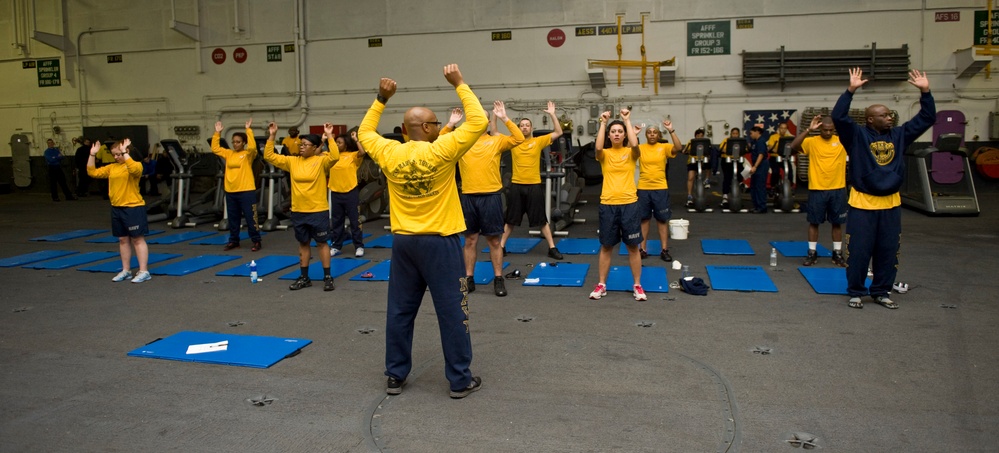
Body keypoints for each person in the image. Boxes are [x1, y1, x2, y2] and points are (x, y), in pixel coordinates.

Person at [358, 63, 484, 399]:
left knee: (400, 311)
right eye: (437, 124)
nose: (440, 127)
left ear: (403, 128)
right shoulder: (443, 149)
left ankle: (395, 376)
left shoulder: (389, 151)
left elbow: (365, 133)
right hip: (439, 245)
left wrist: (381, 98)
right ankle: (459, 380)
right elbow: (480, 121)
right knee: (453, 312)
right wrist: (459, 82)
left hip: (404, 244)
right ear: (428, 128)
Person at [832, 67, 935, 310]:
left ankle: (881, 291)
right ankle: (856, 291)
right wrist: (850, 91)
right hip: (862, 204)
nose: (890, 118)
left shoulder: (899, 135)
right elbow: (838, 117)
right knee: (858, 252)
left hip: (890, 204)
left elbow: (927, 119)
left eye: (890, 115)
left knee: (888, 252)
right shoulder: (857, 135)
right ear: (870, 119)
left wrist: (926, 92)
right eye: (885, 115)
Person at [442, 101, 525, 297]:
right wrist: (451, 124)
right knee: (470, 240)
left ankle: (498, 279)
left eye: (482, 118)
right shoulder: (461, 142)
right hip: (468, 196)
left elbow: (519, 138)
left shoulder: (496, 141)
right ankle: (469, 279)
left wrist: (504, 118)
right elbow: (440, 141)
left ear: (487, 122)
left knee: (494, 241)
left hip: (491, 197)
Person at [264, 123, 339, 291]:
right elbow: (269, 156)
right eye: (300, 144)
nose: (301, 147)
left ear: (314, 148)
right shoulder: (292, 161)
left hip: (318, 210)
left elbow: (335, 156)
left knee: (322, 243)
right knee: (303, 243)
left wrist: (329, 136)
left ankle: (328, 277)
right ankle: (304, 278)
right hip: (298, 211)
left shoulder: (321, 161)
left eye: (305, 145)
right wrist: (272, 136)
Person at [589, 109, 646, 301]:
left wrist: (627, 120)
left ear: (624, 135)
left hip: (629, 204)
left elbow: (636, 144)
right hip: (608, 205)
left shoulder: (631, 153)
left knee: (633, 247)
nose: (616, 134)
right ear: (609, 135)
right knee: (606, 246)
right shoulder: (603, 154)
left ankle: (637, 285)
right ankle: (602, 284)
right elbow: (597, 148)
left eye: (619, 131)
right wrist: (603, 123)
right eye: (613, 132)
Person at [499, 101, 564, 260]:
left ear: (532, 128)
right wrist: (497, 116)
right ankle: (500, 247)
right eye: (522, 125)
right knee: (510, 220)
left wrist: (552, 114)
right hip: (516, 186)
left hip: (534, 186)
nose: (525, 127)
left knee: (542, 219)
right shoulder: (514, 142)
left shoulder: (538, 141)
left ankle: (552, 247)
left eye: (527, 125)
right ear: (519, 128)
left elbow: (558, 131)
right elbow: (494, 133)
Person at [87, 138, 151, 283]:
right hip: (117, 208)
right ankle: (126, 270)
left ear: (125, 152)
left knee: (137, 239)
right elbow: (92, 172)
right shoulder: (112, 168)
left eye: (118, 154)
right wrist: (92, 155)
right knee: (122, 239)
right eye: (113, 155)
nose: (115, 157)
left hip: (133, 207)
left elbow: (134, 169)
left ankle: (144, 271)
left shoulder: (135, 166)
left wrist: (124, 152)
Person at [790, 115, 847, 266]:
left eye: (830, 130)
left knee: (837, 223)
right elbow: (794, 146)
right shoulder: (812, 141)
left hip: (837, 188)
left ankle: (837, 254)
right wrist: (808, 129)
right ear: (820, 128)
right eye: (825, 130)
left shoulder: (842, 141)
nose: (828, 133)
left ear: (833, 129)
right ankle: (812, 253)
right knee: (814, 222)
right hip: (817, 188)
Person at [213, 119, 263, 252]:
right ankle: (234, 241)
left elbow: (253, 147)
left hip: (246, 191)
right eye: (234, 142)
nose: (235, 144)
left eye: (238, 142)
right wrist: (217, 133)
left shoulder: (248, 155)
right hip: (231, 191)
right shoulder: (229, 154)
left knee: (251, 217)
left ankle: (256, 241)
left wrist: (249, 130)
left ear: (244, 143)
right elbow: (215, 148)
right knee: (233, 218)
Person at [636, 122, 680, 262]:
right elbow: (628, 149)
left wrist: (671, 130)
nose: (652, 134)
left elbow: (678, 147)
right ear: (646, 135)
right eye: (649, 132)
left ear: (659, 134)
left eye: (655, 132)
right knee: (644, 219)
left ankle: (664, 250)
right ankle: (642, 249)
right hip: (643, 187)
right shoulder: (640, 148)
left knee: (662, 219)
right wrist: (634, 134)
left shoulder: (664, 147)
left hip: (660, 188)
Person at [327, 128, 366, 258]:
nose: (337, 144)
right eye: (336, 142)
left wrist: (356, 139)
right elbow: (315, 154)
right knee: (337, 221)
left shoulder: (353, 156)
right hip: (336, 192)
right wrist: (324, 139)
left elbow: (363, 152)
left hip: (351, 192)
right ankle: (336, 246)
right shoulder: (330, 156)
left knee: (355, 221)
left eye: (339, 142)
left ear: (346, 144)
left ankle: (359, 246)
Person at [717, 127, 742, 209]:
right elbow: (722, 149)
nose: (735, 135)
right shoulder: (726, 140)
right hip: (727, 161)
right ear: (731, 134)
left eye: (736, 133)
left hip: (737, 160)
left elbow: (745, 149)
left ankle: (736, 195)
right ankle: (725, 197)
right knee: (727, 177)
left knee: (739, 176)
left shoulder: (741, 141)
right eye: (733, 133)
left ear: (739, 134)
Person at [766, 122, 794, 195]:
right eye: (781, 128)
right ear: (779, 129)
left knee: (790, 171)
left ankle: (790, 187)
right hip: (774, 158)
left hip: (785, 158)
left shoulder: (789, 137)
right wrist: (779, 151)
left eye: (785, 128)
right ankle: (773, 187)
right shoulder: (773, 137)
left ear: (787, 129)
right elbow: (770, 148)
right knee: (775, 171)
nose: (783, 130)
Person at [746, 126, 769, 213]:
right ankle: (756, 205)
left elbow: (761, 154)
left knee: (760, 186)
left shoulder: (761, 142)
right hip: (756, 164)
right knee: (754, 186)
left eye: (751, 133)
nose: (750, 135)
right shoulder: (754, 142)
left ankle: (761, 207)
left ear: (757, 132)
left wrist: (755, 166)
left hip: (761, 164)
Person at [685, 128, 706, 209]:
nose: (700, 137)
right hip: (693, 161)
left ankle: (701, 196)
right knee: (691, 178)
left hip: (702, 161)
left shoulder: (705, 142)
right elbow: (685, 150)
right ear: (695, 136)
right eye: (699, 136)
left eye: (702, 136)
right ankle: (689, 196)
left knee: (700, 178)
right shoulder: (691, 142)